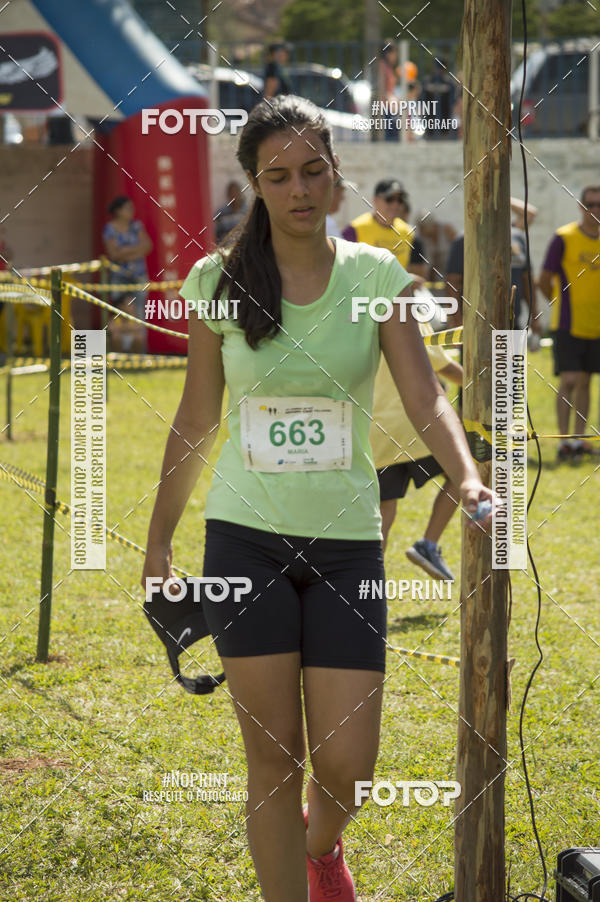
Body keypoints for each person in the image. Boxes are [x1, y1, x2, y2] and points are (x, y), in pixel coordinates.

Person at [141, 95, 493, 902]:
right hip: (244, 538)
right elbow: (196, 418)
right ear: (255, 186)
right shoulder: (216, 281)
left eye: (313, 171)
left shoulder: (376, 276)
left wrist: (468, 476)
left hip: (346, 545)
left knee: (348, 766)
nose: (299, 189)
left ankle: (321, 846)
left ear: (336, 178)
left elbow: (425, 398)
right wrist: (160, 539)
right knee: (272, 758)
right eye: (279, 175)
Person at [372, 322, 463, 579]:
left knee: (383, 512)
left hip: (375, 430)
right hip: (418, 427)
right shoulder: (404, 313)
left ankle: (370, 585)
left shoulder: (352, 314)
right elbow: (444, 367)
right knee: (464, 475)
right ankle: (428, 544)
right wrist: (484, 380)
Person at [539, 184, 600, 460]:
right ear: (581, 206)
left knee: (586, 382)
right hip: (567, 326)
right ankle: (563, 440)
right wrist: (557, 302)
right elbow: (544, 278)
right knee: (570, 379)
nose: (595, 210)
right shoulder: (564, 237)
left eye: (599, 205)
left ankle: (579, 439)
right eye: (590, 204)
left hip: (595, 327)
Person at [341, 179, 423, 277]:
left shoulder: (408, 231)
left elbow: (416, 268)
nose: (395, 204)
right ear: (375, 200)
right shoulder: (355, 229)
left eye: (400, 200)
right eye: (390, 199)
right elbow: (343, 268)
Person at [102, 195, 153, 352]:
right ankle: (117, 355)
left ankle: (141, 355)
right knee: (118, 315)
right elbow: (114, 254)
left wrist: (124, 251)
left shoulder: (137, 226)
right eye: (128, 208)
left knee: (139, 315)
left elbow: (148, 246)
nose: (132, 211)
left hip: (138, 276)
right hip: (119, 278)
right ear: (118, 211)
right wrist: (136, 250)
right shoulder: (110, 228)